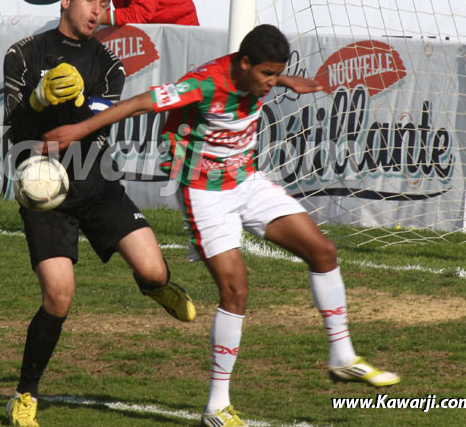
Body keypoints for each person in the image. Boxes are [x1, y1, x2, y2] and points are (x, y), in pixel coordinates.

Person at [43, 24, 400, 427]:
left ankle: (342, 357)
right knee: (236, 290)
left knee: (324, 252)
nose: (269, 84)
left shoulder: (255, 75)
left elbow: (264, 75)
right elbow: (141, 103)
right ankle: (216, 406)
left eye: (274, 74)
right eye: (266, 74)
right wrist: (79, 129)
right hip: (206, 195)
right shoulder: (204, 84)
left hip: (247, 180)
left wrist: (285, 79)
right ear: (245, 64)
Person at [2, 0, 197, 427]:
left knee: (154, 268)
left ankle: (154, 287)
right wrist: (35, 100)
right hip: (46, 193)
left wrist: (68, 106)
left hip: (98, 184)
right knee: (59, 296)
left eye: (103, 5)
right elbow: (14, 129)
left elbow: (95, 123)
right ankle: (24, 396)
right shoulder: (24, 54)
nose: (97, 11)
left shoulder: (109, 64)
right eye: (89, 0)